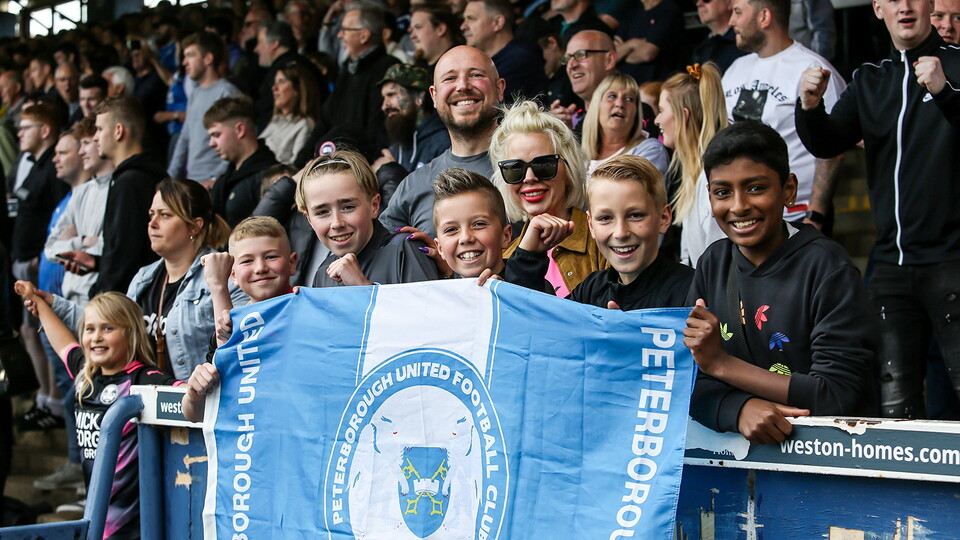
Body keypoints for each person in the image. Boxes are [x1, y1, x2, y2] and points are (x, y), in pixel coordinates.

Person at [794, 0, 960, 418]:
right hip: (891, 266)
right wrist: (809, 107)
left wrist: (945, 92)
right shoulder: (870, 78)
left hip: (953, 260)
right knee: (894, 406)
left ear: (930, 4)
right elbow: (828, 142)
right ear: (878, 8)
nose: (905, 6)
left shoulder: (956, 64)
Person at [684, 121, 875, 443]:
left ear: (788, 190)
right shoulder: (713, 264)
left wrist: (720, 363)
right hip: (737, 463)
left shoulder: (827, 268)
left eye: (755, 188)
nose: (739, 206)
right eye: (722, 192)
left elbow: (836, 394)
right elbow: (686, 376)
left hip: (827, 459)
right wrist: (738, 409)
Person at [14, 283, 180, 538]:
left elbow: (186, 397)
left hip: (136, 523)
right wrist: (37, 301)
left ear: (131, 333)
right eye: (90, 329)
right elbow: (62, 342)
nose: (96, 337)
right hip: (98, 516)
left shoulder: (145, 378)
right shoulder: (86, 376)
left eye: (108, 328)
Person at [49, 178, 247, 381]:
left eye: (165, 215)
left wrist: (218, 285)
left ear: (194, 227)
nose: (152, 223)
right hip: (146, 396)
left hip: (201, 397)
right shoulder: (143, 277)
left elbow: (241, 343)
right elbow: (109, 325)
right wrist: (52, 304)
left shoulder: (224, 276)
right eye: (152, 214)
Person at [509, 154, 693, 308]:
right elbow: (540, 324)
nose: (620, 233)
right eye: (605, 218)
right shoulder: (591, 290)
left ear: (664, 218)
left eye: (635, 216)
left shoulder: (692, 291)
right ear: (591, 225)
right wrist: (528, 257)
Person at [722, 0, 844, 227]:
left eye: (738, 12)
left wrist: (816, 214)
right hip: (743, 214)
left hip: (798, 214)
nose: (731, 22)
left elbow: (832, 149)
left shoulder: (811, 67)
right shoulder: (735, 69)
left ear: (764, 17)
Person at [181, 216, 298, 422]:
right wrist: (194, 394)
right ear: (233, 275)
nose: (260, 268)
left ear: (292, 263)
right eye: (247, 261)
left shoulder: (305, 309)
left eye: (271, 257)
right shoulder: (227, 327)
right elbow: (194, 415)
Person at [379, 45, 504, 238]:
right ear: (434, 96)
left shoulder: (531, 168)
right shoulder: (414, 184)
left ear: (499, 89)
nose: (462, 86)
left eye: (476, 75)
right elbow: (378, 250)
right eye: (450, 78)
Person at [492, 100, 606, 296]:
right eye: (515, 169)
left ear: (569, 171)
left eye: (544, 165)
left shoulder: (605, 238)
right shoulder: (504, 258)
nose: (529, 178)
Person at [297, 150, 439, 287]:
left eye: (347, 207)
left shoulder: (404, 250)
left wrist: (362, 286)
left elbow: (427, 304)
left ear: (374, 206)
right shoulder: (324, 272)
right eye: (322, 212)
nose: (337, 223)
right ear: (309, 220)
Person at [87, 97, 166, 295]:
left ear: (118, 131)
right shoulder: (146, 175)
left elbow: (124, 250)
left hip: (125, 300)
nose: (95, 137)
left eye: (99, 129)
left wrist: (103, 294)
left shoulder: (129, 183)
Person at [656, 62, 728, 267]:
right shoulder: (692, 175)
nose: (656, 120)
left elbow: (719, 260)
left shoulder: (712, 178)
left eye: (661, 110)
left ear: (683, 115)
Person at [167, 31, 242, 184]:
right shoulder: (195, 94)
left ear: (208, 58)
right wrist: (169, 178)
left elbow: (237, 142)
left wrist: (215, 179)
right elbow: (184, 138)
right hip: (193, 181)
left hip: (215, 184)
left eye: (190, 55)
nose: (184, 62)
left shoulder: (227, 92)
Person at [206, 97, 279, 228]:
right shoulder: (224, 180)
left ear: (239, 130)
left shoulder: (270, 176)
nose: (211, 143)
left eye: (216, 135)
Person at [432, 167, 513, 278]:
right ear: (440, 248)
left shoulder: (530, 283)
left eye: (479, 224)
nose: (465, 238)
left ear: (505, 236)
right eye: (451, 229)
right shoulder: (437, 290)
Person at [582, 73, 669, 177]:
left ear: (636, 112)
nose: (620, 104)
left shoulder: (651, 151)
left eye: (629, 99)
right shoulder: (580, 156)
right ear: (596, 106)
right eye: (612, 96)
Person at [461, 0, 547, 101]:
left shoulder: (520, 60)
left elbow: (493, 106)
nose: (463, 27)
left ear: (498, 22)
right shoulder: (490, 62)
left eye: (471, 19)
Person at [374, 63, 451, 175]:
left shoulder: (443, 144)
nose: (384, 106)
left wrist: (392, 172)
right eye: (384, 98)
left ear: (419, 98)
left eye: (391, 95)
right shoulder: (397, 146)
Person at [549, 30, 617, 131]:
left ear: (609, 60)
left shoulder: (633, 116)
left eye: (581, 55)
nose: (571, 65)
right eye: (567, 59)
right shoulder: (580, 124)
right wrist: (565, 134)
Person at [259, 63, 319, 166]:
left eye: (281, 81)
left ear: (297, 89)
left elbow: (294, 167)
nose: (274, 88)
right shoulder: (275, 120)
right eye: (274, 82)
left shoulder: (305, 125)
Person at [614, 0, 685, 85]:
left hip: (657, 85)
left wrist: (624, 51)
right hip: (628, 85)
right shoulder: (631, 12)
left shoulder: (668, 10)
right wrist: (632, 43)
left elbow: (647, 54)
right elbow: (614, 55)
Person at [691, 0, 747, 72]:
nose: (699, 4)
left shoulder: (746, 42)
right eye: (696, 0)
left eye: (706, 0)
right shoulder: (700, 50)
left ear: (729, 2)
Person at [408, 4, 462, 71]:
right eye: (411, 30)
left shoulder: (461, 63)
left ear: (440, 29)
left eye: (418, 27)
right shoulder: (417, 68)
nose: (412, 36)